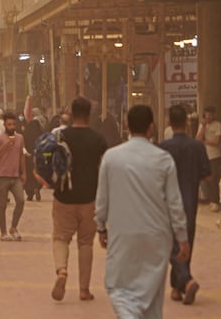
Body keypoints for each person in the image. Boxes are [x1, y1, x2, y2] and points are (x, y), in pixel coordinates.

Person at [95, 105, 190, 319]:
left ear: (127, 125)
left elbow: (102, 199)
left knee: (119, 287)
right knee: (152, 295)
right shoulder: (163, 159)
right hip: (157, 237)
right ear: (151, 128)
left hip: (122, 235)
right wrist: (182, 238)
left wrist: (101, 227)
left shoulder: (111, 158)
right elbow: (174, 204)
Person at [50, 96, 107, 302]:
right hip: (89, 198)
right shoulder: (98, 139)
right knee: (85, 244)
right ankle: (84, 290)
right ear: (89, 115)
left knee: (60, 238)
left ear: (71, 114)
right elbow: (105, 168)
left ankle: (62, 271)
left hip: (64, 196)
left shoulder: (60, 136)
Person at [160, 104, 210, 304]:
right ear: (187, 123)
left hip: (167, 203)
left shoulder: (163, 147)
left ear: (169, 123)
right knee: (185, 242)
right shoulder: (198, 147)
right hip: (190, 202)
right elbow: (207, 176)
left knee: (172, 244)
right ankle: (178, 286)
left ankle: (185, 282)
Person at [0, 112, 26, 241]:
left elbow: (21, 155)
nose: (11, 126)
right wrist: (5, 145)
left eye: (14, 124)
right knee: (3, 205)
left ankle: (14, 227)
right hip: (1, 176)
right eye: (9, 124)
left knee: (21, 201)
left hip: (15, 176)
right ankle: (3, 232)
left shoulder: (20, 138)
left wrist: (24, 172)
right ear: (4, 125)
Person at [195, 105, 221, 211]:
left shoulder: (217, 125)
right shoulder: (202, 125)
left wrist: (205, 142)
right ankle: (210, 199)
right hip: (204, 155)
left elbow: (216, 142)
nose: (209, 116)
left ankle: (215, 201)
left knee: (214, 178)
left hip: (214, 155)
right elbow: (197, 139)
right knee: (206, 179)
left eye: (211, 114)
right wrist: (203, 127)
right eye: (207, 114)